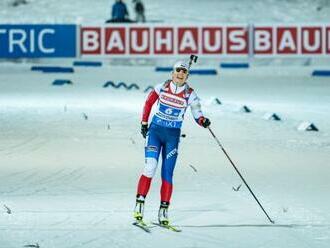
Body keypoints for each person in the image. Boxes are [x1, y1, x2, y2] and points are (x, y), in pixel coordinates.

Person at [133, 60, 211, 226]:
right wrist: (144, 123)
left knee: (167, 173)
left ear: (187, 76)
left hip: (172, 137)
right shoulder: (161, 87)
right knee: (150, 167)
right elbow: (148, 103)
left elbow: (198, 113)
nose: (180, 74)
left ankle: (163, 211)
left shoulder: (190, 94)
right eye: (178, 70)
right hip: (155, 132)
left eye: (183, 72)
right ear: (172, 72)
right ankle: (139, 204)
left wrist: (203, 120)